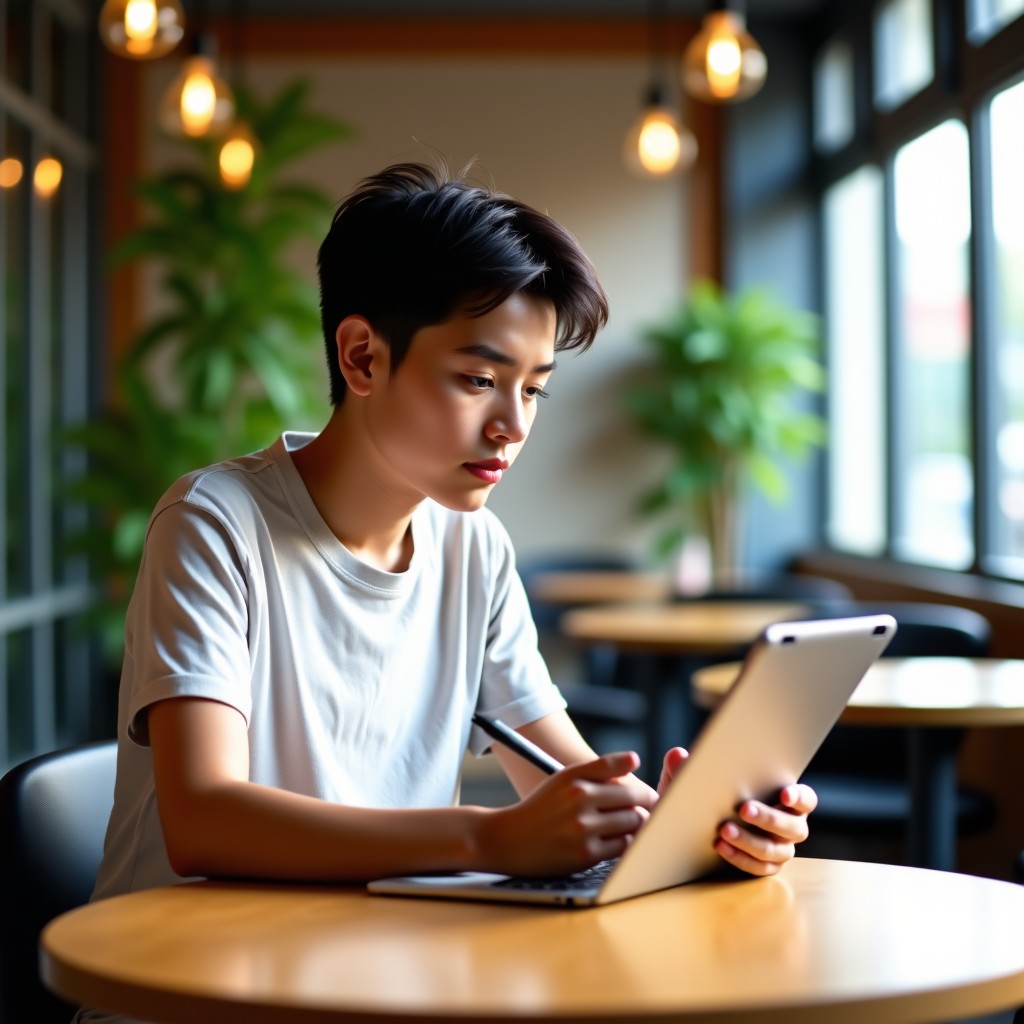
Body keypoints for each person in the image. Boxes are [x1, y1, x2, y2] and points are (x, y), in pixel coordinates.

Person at [77, 162, 816, 1019]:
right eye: (478, 379)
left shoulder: (475, 548)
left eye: (533, 388)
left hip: (376, 981)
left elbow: (560, 778)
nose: (512, 425)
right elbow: (204, 820)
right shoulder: (214, 523)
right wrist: (488, 837)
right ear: (361, 356)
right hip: (188, 992)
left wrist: (690, 833)